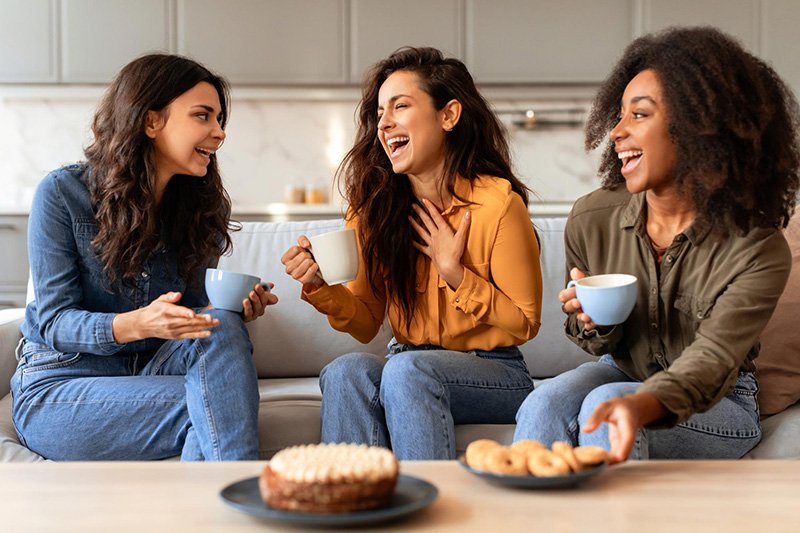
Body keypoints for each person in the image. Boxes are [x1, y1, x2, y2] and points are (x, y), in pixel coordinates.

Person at [514, 26, 800, 463]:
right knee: (543, 401)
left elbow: (713, 359)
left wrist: (643, 403)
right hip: (619, 370)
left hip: (720, 400)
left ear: (698, 126)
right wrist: (591, 322)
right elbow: (593, 345)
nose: (616, 132)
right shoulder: (593, 219)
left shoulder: (756, 247)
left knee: (604, 408)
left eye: (640, 115)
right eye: (619, 115)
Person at [11, 54, 278, 461]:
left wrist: (228, 308)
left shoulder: (203, 209)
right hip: (63, 385)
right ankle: (233, 503)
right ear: (151, 121)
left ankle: (207, 513)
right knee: (216, 407)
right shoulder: (63, 194)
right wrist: (134, 324)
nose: (219, 133)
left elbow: (189, 320)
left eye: (220, 119)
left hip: (154, 371)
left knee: (220, 325)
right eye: (203, 116)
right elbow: (52, 321)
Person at [281, 47, 542, 460]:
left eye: (400, 106)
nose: (384, 123)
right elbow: (367, 321)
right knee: (346, 371)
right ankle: (355, 508)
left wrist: (457, 274)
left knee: (407, 371)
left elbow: (524, 324)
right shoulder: (373, 210)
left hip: (494, 373)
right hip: (408, 363)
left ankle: (428, 517)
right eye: (380, 112)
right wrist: (319, 285)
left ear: (449, 115)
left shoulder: (497, 205)